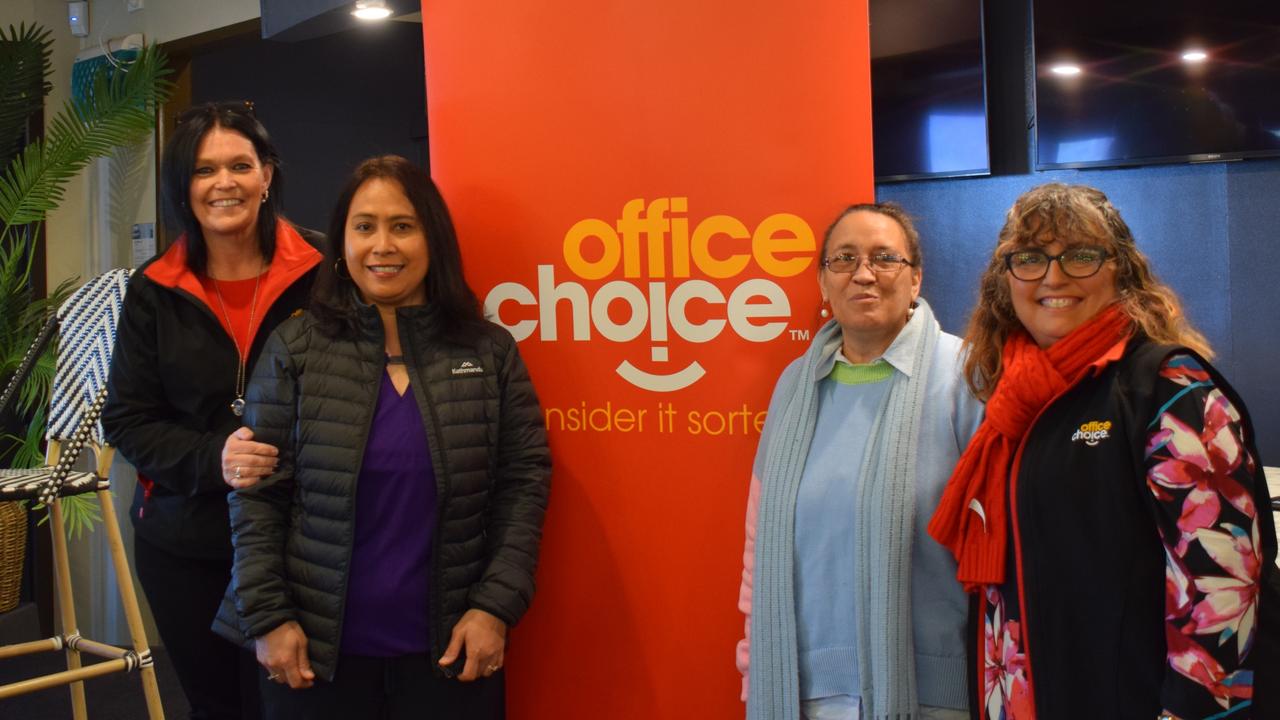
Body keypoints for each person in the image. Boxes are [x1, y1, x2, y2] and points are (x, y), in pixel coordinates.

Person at [210, 155, 551, 719]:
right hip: (315, 655)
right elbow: (257, 496)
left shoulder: (488, 352)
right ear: (342, 242)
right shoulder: (296, 349)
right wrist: (268, 619)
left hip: (451, 650)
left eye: (403, 226)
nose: (382, 245)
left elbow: (524, 485)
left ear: (432, 239)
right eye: (364, 226)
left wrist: (495, 608)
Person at [927, 183, 1278, 719]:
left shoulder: (1170, 389)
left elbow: (1226, 582)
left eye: (1080, 254)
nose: (1053, 275)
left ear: (1121, 272)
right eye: (1029, 258)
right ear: (1005, 280)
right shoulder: (1013, 401)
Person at [103, 101, 323, 720]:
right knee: (220, 706)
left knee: (306, 703)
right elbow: (127, 418)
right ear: (184, 185)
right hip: (186, 541)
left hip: (306, 537)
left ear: (267, 175)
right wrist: (214, 458)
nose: (224, 183)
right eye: (204, 171)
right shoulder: (152, 289)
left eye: (240, 165)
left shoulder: (325, 269)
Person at [738, 203, 983, 720]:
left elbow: (1000, 546)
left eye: (884, 258)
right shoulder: (794, 387)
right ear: (824, 285)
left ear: (915, 278)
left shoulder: (964, 377)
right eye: (844, 259)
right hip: (801, 694)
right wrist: (752, 667)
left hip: (930, 695)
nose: (864, 273)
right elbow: (759, 546)